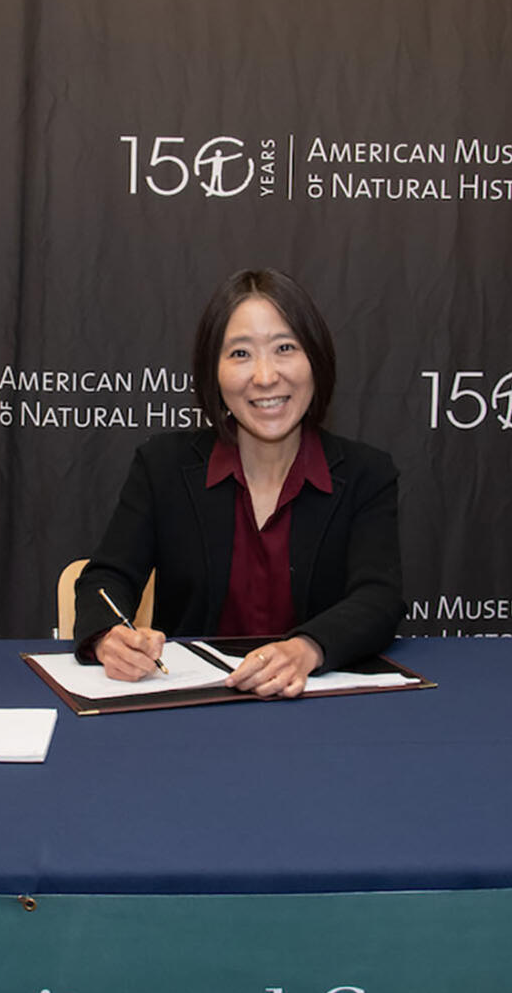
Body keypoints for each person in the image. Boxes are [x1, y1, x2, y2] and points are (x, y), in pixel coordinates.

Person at [74, 269, 403, 697]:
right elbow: (106, 578)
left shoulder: (365, 474)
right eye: (241, 354)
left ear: (316, 360)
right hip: (194, 708)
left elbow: (378, 597)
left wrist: (308, 648)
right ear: (213, 372)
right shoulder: (163, 467)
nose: (265, 376)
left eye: (285, 348)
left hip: (318, 708)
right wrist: (109, 636)